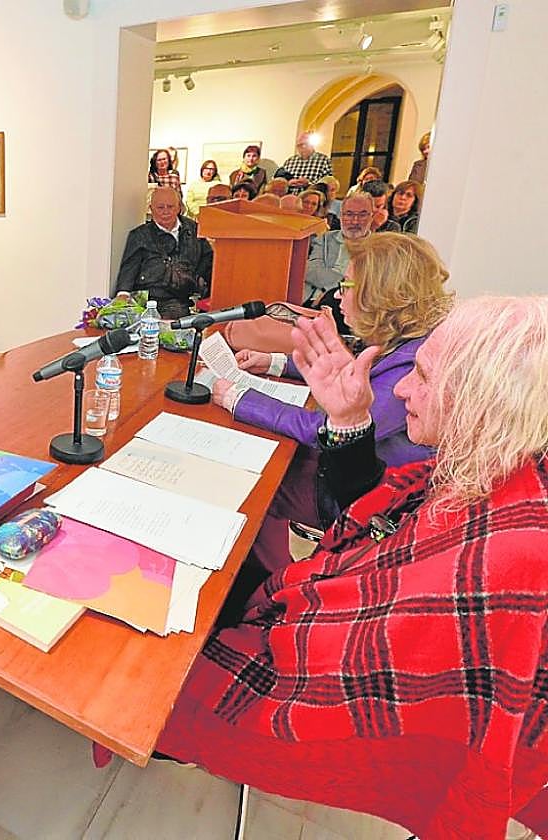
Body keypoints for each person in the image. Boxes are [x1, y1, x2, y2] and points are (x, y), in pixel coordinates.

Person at [156, 298, 548, 840]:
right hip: (307, 602)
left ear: (482, 400)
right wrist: (347, 420)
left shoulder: (514, 548)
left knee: (153, 657)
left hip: (298, 677)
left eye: (423, 377)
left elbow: (358, 676)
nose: (402, 389)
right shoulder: (493, 463)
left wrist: (277, 615)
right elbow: (371, 520)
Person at [212, 232, 451, 571]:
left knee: (252, 485)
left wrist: (241, 399)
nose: (337, 295)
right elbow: (347, 376)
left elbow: (333, 429)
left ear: (379, 293)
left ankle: (269, 579)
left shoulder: (413, 365)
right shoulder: (405, 340)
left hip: (365, 498)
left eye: (347, 286)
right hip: (354, 476)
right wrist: (274, 362)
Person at [114, 187, 213, 320]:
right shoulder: (139, 235)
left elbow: (208, 262)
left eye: (170, 207)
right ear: (151, 209)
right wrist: (123, 294)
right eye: (160, 207)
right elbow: (129, 267)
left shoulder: (194, 229)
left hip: (187, 296)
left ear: (179, 207)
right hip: (153, 298)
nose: (166, 212)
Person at [304, 193, 373, 304]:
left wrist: (336, 290)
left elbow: (370, 284)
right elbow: (311, 270)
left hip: (353, 304)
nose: (355, 221)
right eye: (349, 214)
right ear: (340, 216)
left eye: (362, 215)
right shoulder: (326, 238)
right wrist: (346, 283)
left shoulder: (379, 247)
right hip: (314, 301)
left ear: (371, 217)